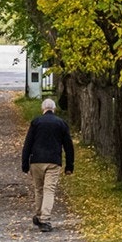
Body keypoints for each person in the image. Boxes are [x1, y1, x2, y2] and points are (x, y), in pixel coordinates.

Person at [21, 97, 74, 231]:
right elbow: (68, 146)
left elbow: (28, 144)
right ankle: (45, 219)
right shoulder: (61, 123)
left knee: (39, 190)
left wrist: (25, 163)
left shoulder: (36, 122)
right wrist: (69, 165)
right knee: (49, 190)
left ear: (42, 109)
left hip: (36, 161)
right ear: (54, 109)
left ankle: (39, 216)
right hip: (53, 161)